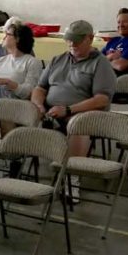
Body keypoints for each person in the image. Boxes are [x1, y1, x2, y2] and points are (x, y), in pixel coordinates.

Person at [31, 20, 117, 169]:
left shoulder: (100, 63)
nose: (72, 44)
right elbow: (40, 88)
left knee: (77, 125)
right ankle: (16, 161)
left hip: (83, 113)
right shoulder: (58, 59)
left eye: (76, 41)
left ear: (89, 39)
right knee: (21, 111)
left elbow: (102, 99)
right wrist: (38, 105)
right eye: (69, 40)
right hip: (51, 111)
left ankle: (73, 175)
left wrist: (68, 109)